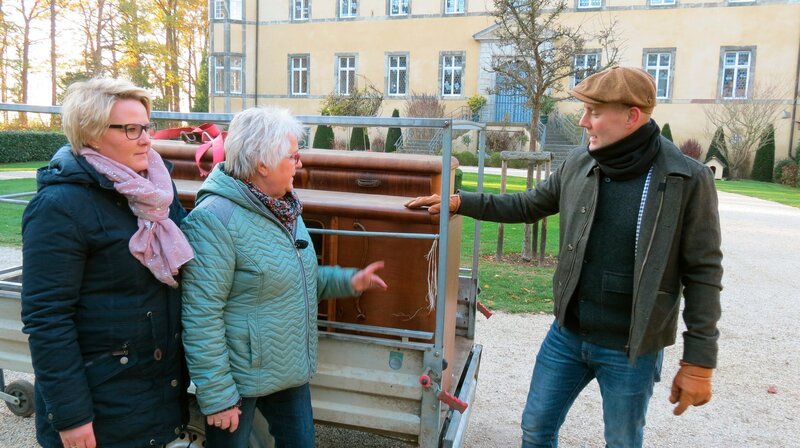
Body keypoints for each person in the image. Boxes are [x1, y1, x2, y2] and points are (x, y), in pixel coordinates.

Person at [406, 66, 723, 447]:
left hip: (631, 349)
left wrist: (699, 362)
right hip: (567, 335)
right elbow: (527, 204)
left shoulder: (686, 179)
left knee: (622, 442)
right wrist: (460, 201)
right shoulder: (580, 162)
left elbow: (704, 272)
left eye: (594, 112)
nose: (584, 122)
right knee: (536, 429)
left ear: (631, 117)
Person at [180, 106, 388, 448]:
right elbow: (201, 315)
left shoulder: (284, 208)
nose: (299, 164)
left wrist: (349, 281)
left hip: (288, 368)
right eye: (293, 156)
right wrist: (217, 395)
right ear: (263, 163)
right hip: (238, 381)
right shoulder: (214, 219)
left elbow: (296, 277)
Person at [21, 78, 193, 448]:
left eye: (146, 126)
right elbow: (48, 318)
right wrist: (71, 416)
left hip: (152, 394)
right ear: (92, 134)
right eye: (131, 129)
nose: (146, 139)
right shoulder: (60, 207)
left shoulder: (154, 193)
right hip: (100, 407)